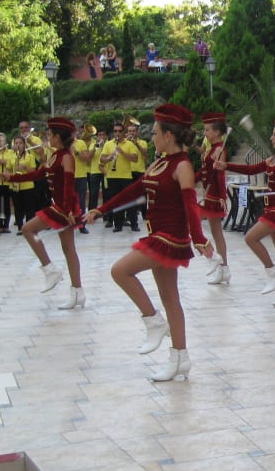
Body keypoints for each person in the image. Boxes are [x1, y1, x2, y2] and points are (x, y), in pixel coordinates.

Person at [85, 104, 213, 381]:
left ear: (168, 135)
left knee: (120, 271)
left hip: (169, 237)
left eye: (155, 132)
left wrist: (200, 239)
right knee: (171, 298)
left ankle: (153, 322)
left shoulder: (182, 166)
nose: (152, 136)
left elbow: (191, 206)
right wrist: (101, 209)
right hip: (157, 233)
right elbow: (135, 189)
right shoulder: (160, 162)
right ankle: (180, 358)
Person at [215, 115, 275, 307]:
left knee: (250, 238)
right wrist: (226, 166)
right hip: (272, 207)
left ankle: (272, 272)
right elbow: (251, 170)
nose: (272, 138)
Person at [3, 117, 85, 309]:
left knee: (27, 229)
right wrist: (11, 177)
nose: (47, 136)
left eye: (50, 134)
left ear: (58, 137)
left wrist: (68, 210)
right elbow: (37, 175)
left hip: (63, 207)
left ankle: (50, 270)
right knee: (68, 249)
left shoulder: (66, 157)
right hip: (61, 206)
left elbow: (69, 185)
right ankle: (77, 292)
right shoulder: (54, 155)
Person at [197, 113, 231, 284]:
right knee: (215, 233)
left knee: (217, 234)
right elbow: (203, 172)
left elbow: (220, 175)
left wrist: (222, 197)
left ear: (217, 132)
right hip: (208, 194)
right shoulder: (211, 148)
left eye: (208, 130)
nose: (205, 133)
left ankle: (223, 268)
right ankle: (222, 268)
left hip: (215, 195)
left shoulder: (219, 149)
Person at [100, 122, 138, 231]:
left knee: (129, 201)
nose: (117, 133)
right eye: (115, 131)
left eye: (120, 131)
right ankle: (118, 225)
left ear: (123, 132)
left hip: (126, 177)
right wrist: (109, 158)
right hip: (112, 177)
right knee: (115, 202)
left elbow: (135, 159)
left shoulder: (129, 144)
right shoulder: (108, 144)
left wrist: (122, 152)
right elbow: (102, 159)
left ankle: (134, 224)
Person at [7, 135, 38, 235]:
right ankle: (20, 227)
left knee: (29, 207)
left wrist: (24, 167)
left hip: (27, 185)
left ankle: (30, 227)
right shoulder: (11, 156)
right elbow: (7, 169)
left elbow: (33, 171)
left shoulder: (30, 156)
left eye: (20, 143)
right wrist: (11, 176)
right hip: (15, 185)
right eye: (16, 143)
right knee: (18, 207)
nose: (18, 145)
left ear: (24, 145)